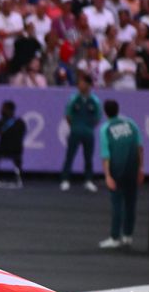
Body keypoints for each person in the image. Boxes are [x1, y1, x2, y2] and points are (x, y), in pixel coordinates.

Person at [97, 99, 144, 249]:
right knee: (131, 203)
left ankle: (115, 237)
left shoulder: (106, 128)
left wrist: (107, 175)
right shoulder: (131, 123)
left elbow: (106, 155)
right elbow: (139, 148)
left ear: (105, 112)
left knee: (117, 204)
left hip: (117, 169)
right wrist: (141, 168)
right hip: (132, 167)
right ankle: (128, 236)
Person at [61, 74, 101, 193]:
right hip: (75, 132)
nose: (79, 85)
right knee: (69, 156)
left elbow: (98, 118)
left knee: (88, 158)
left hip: (88, 133)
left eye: (82, 83)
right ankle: (65, 179)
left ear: (89, 85)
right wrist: (75, 126)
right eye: (79, 83)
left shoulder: (95, 100)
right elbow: (68, 115)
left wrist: (88, 127)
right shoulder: (73, 99)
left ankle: (88, 180)